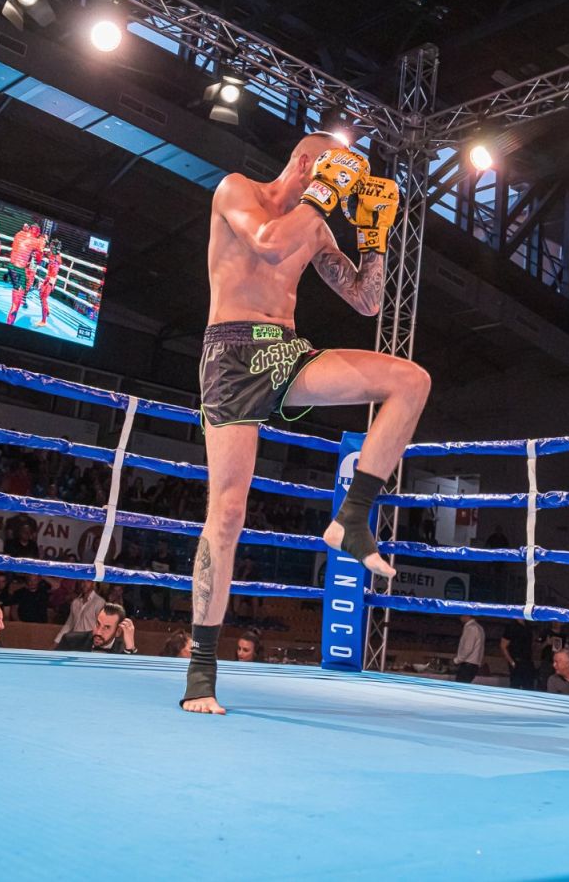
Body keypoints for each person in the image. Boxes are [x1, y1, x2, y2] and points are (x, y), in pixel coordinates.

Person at [181, 134, 430, 715]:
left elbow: (367, 301)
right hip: (231, 352)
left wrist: (374, 238)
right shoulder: (238, 190)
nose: (346, 188)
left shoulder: (316, 227)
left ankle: (353, 517)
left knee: (410, 381)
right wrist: (321, 192)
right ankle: (201, 668)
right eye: (339, 173)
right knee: (229, 511)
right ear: (304, 163)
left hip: (286, 351)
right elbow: (268, 243)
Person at [4, 222, 46, 326]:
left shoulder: (19, 234)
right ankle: (9, 325)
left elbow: (17, 247)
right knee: (15, 305)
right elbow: (39, 260)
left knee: (17, 295)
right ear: (37, 232)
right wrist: (42, 242)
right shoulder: (36, 241)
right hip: (19, 270)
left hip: (11, 267)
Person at [55, 603, 137, 654]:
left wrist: (130, 648)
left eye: (106, 627)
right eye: (98, 624)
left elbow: (131, 674)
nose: (98, 632)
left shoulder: (124, 650)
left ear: (118, 632)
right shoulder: (70, 641)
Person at [500, 617, 538, 690]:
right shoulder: (511, 626)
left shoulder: (528, 626)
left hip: (528, 660)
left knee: (529, 686)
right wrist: (512, 662)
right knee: (515, 685)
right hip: (517, 661)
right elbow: (503, 646)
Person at [33, 240, 64, 328]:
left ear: (55, 247)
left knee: (43, 298)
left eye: (51, 245)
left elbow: (54, 272)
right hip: (49, 278)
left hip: (50, 279)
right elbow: (45, 253)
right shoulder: (52, 255)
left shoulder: (56, 258)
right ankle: (47, 311)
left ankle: (43, 321)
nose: (50, 247)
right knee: (41, 295)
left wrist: (48, 280)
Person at [454, 613, 485, 683]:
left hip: (468, 665)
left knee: (460, 687)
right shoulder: (479, 627)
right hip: (473, 664)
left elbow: (468, 648)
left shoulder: (471, 628)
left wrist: (457, 660)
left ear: (467, 615)